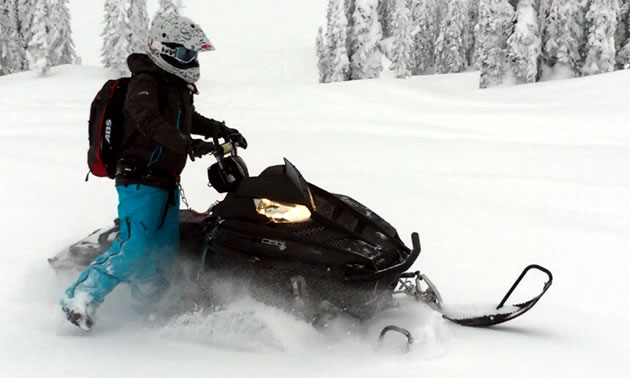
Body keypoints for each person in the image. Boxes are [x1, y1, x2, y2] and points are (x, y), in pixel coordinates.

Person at [60, 14, 247, 331]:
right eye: (187, 54)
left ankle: (147, 311)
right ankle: (79, 298)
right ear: (165, 51)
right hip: (138, 179)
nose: (192, 60)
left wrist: (220, 130)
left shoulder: (176, 87)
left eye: (194, 55)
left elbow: (189, 119)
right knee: (136, 246)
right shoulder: (144, 83)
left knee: (161, 252)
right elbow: (148, 121)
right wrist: (187, 144)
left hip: (165, 181)